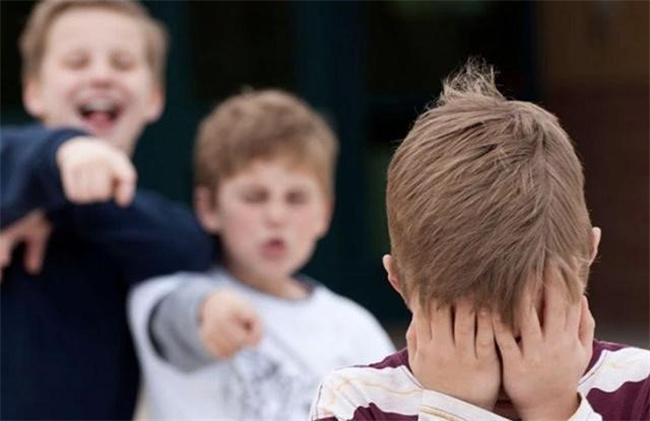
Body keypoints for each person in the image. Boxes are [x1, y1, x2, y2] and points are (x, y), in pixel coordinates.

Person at [309, 62, 650, 421]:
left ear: (589, 255)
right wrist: (453, 411)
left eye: (528, 331)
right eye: (469, 331)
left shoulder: (640, 388)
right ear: (399, 281)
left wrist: (555, 410)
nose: (506, 369)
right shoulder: (357, 402)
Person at [0, 1, 213, 419]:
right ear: (33, 90)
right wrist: (63, 153)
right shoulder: (12, 168)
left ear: (154, 98)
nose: (100, 75)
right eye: (77, 61)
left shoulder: (147, 226)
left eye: (122, 62)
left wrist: (62, 207)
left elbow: (187, 245)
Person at [128, 90, 396, 420]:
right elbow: (173, 318)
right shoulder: (165, 291)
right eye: (254, 197)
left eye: (296, 198)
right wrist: (205, 309)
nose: (276, 216)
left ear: (324, 214)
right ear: (208, 207)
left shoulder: (355, 329)